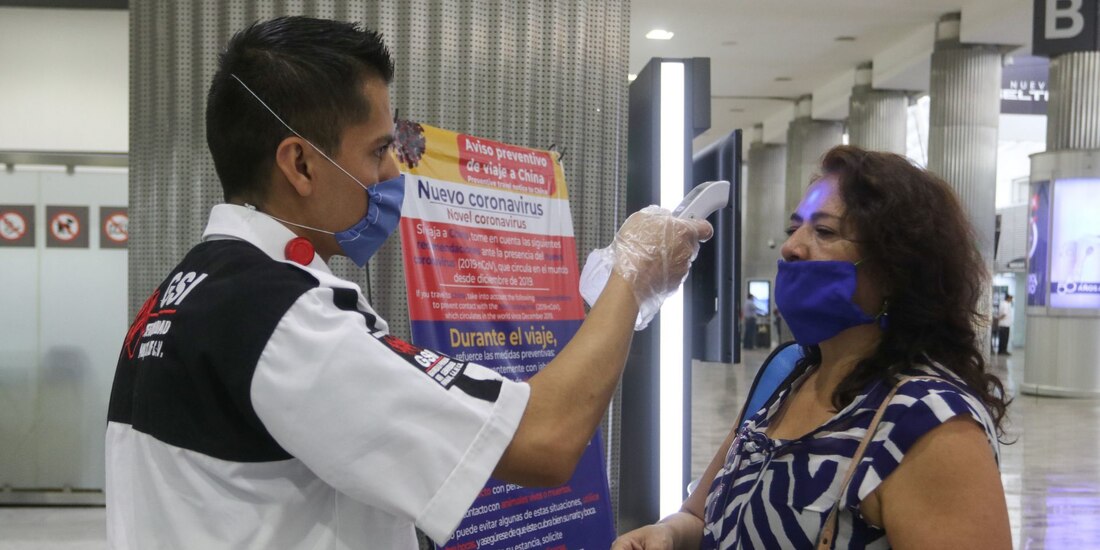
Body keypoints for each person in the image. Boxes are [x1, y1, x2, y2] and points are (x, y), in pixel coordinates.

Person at [105, 16, 712, 550]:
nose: (393, 171)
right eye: (376, 151)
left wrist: (595, 302)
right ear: (301, 164)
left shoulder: (188, 291)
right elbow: (545, 442)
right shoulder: (281, 318)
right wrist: (633, 275)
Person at [613, 145, 1011, 549]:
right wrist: (667, 532)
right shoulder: (789, 378)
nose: (791, 248)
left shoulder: (930, 422)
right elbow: (701, 516)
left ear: (896, 267)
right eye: (794, 229)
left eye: (824, 232)